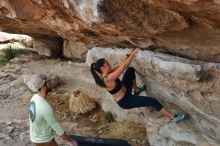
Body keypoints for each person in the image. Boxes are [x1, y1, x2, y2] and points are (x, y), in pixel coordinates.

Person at [90, 48, 187, 123]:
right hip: (125, 101)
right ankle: (174, 118)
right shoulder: (107, 79)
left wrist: (128, 56)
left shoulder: (106, 74)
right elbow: (123, 67)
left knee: (130, 70)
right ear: (103, 67)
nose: (109, 64)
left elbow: (120, 65)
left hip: (126, 90)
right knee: (152, 101)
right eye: (107, 64)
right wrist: (133, 54)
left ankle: (136, 90)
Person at [29, 74, 78, 146]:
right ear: (43, 86)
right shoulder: (45, 107)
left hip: (35, 137)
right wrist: (71, 142)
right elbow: (58, 130)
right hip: (45, 141)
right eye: (49, 82)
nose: (51, 84)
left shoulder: (34, 98)